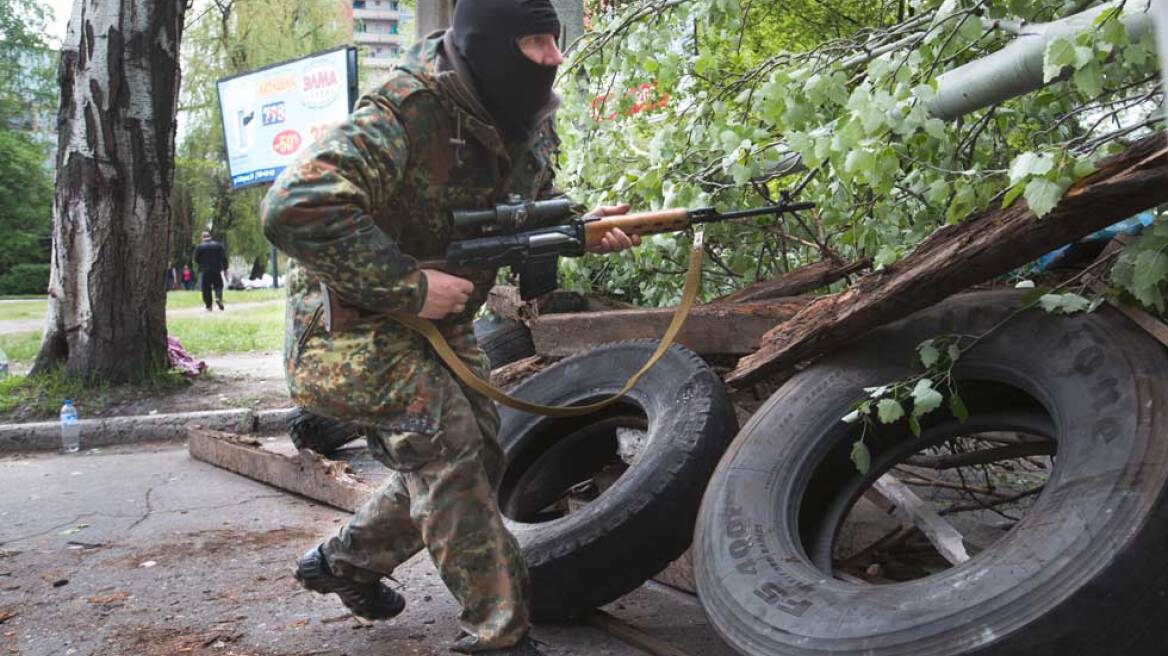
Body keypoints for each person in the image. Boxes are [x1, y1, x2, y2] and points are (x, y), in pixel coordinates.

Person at [260, 2, 639, 654]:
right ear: (488, 43)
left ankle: (346, 562)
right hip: (345, 325)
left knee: (481, 453)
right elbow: (294, 206)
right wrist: (407, 286)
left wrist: (579, 229)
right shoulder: (409, 109)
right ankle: (500, 635)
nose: (553, 55)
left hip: (438, 319)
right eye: (535, 41)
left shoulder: (517, 114)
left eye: (555, 39)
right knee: (447, 437)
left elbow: (511, 217)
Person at [193, 232, 228, 311]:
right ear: (210, 237)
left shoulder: (199, 247)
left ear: (202, 238)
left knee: (206, 288)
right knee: (218, 285)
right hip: (216, 269)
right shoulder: (218, 245)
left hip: (205, 270)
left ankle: (209, 306)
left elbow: (196, 259)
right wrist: (225, 268)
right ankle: (218, 297)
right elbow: (224, 258)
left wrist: (202, 264)